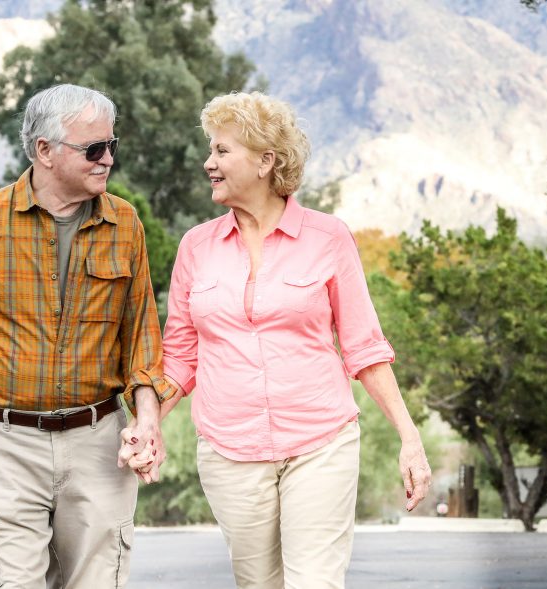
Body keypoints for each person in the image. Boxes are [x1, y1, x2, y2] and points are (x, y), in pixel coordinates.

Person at [119, 91, 432, 588]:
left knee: (313, 582)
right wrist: (148, 422)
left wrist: (409, 438)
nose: (209, 163)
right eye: (211, 150)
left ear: (266, 161)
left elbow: (364, 347)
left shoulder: (328, 238)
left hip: (320, 442)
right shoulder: (195, 247)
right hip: (229, 449)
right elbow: (180, 356)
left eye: (222, 151)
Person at [0, 83, 175, 588]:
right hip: (1, 443)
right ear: (44, 150)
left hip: (98, 443)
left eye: (112, 145)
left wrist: (149, 419)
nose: (107, 159)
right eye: (93, 148)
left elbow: (142, 336)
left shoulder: (125, 224)